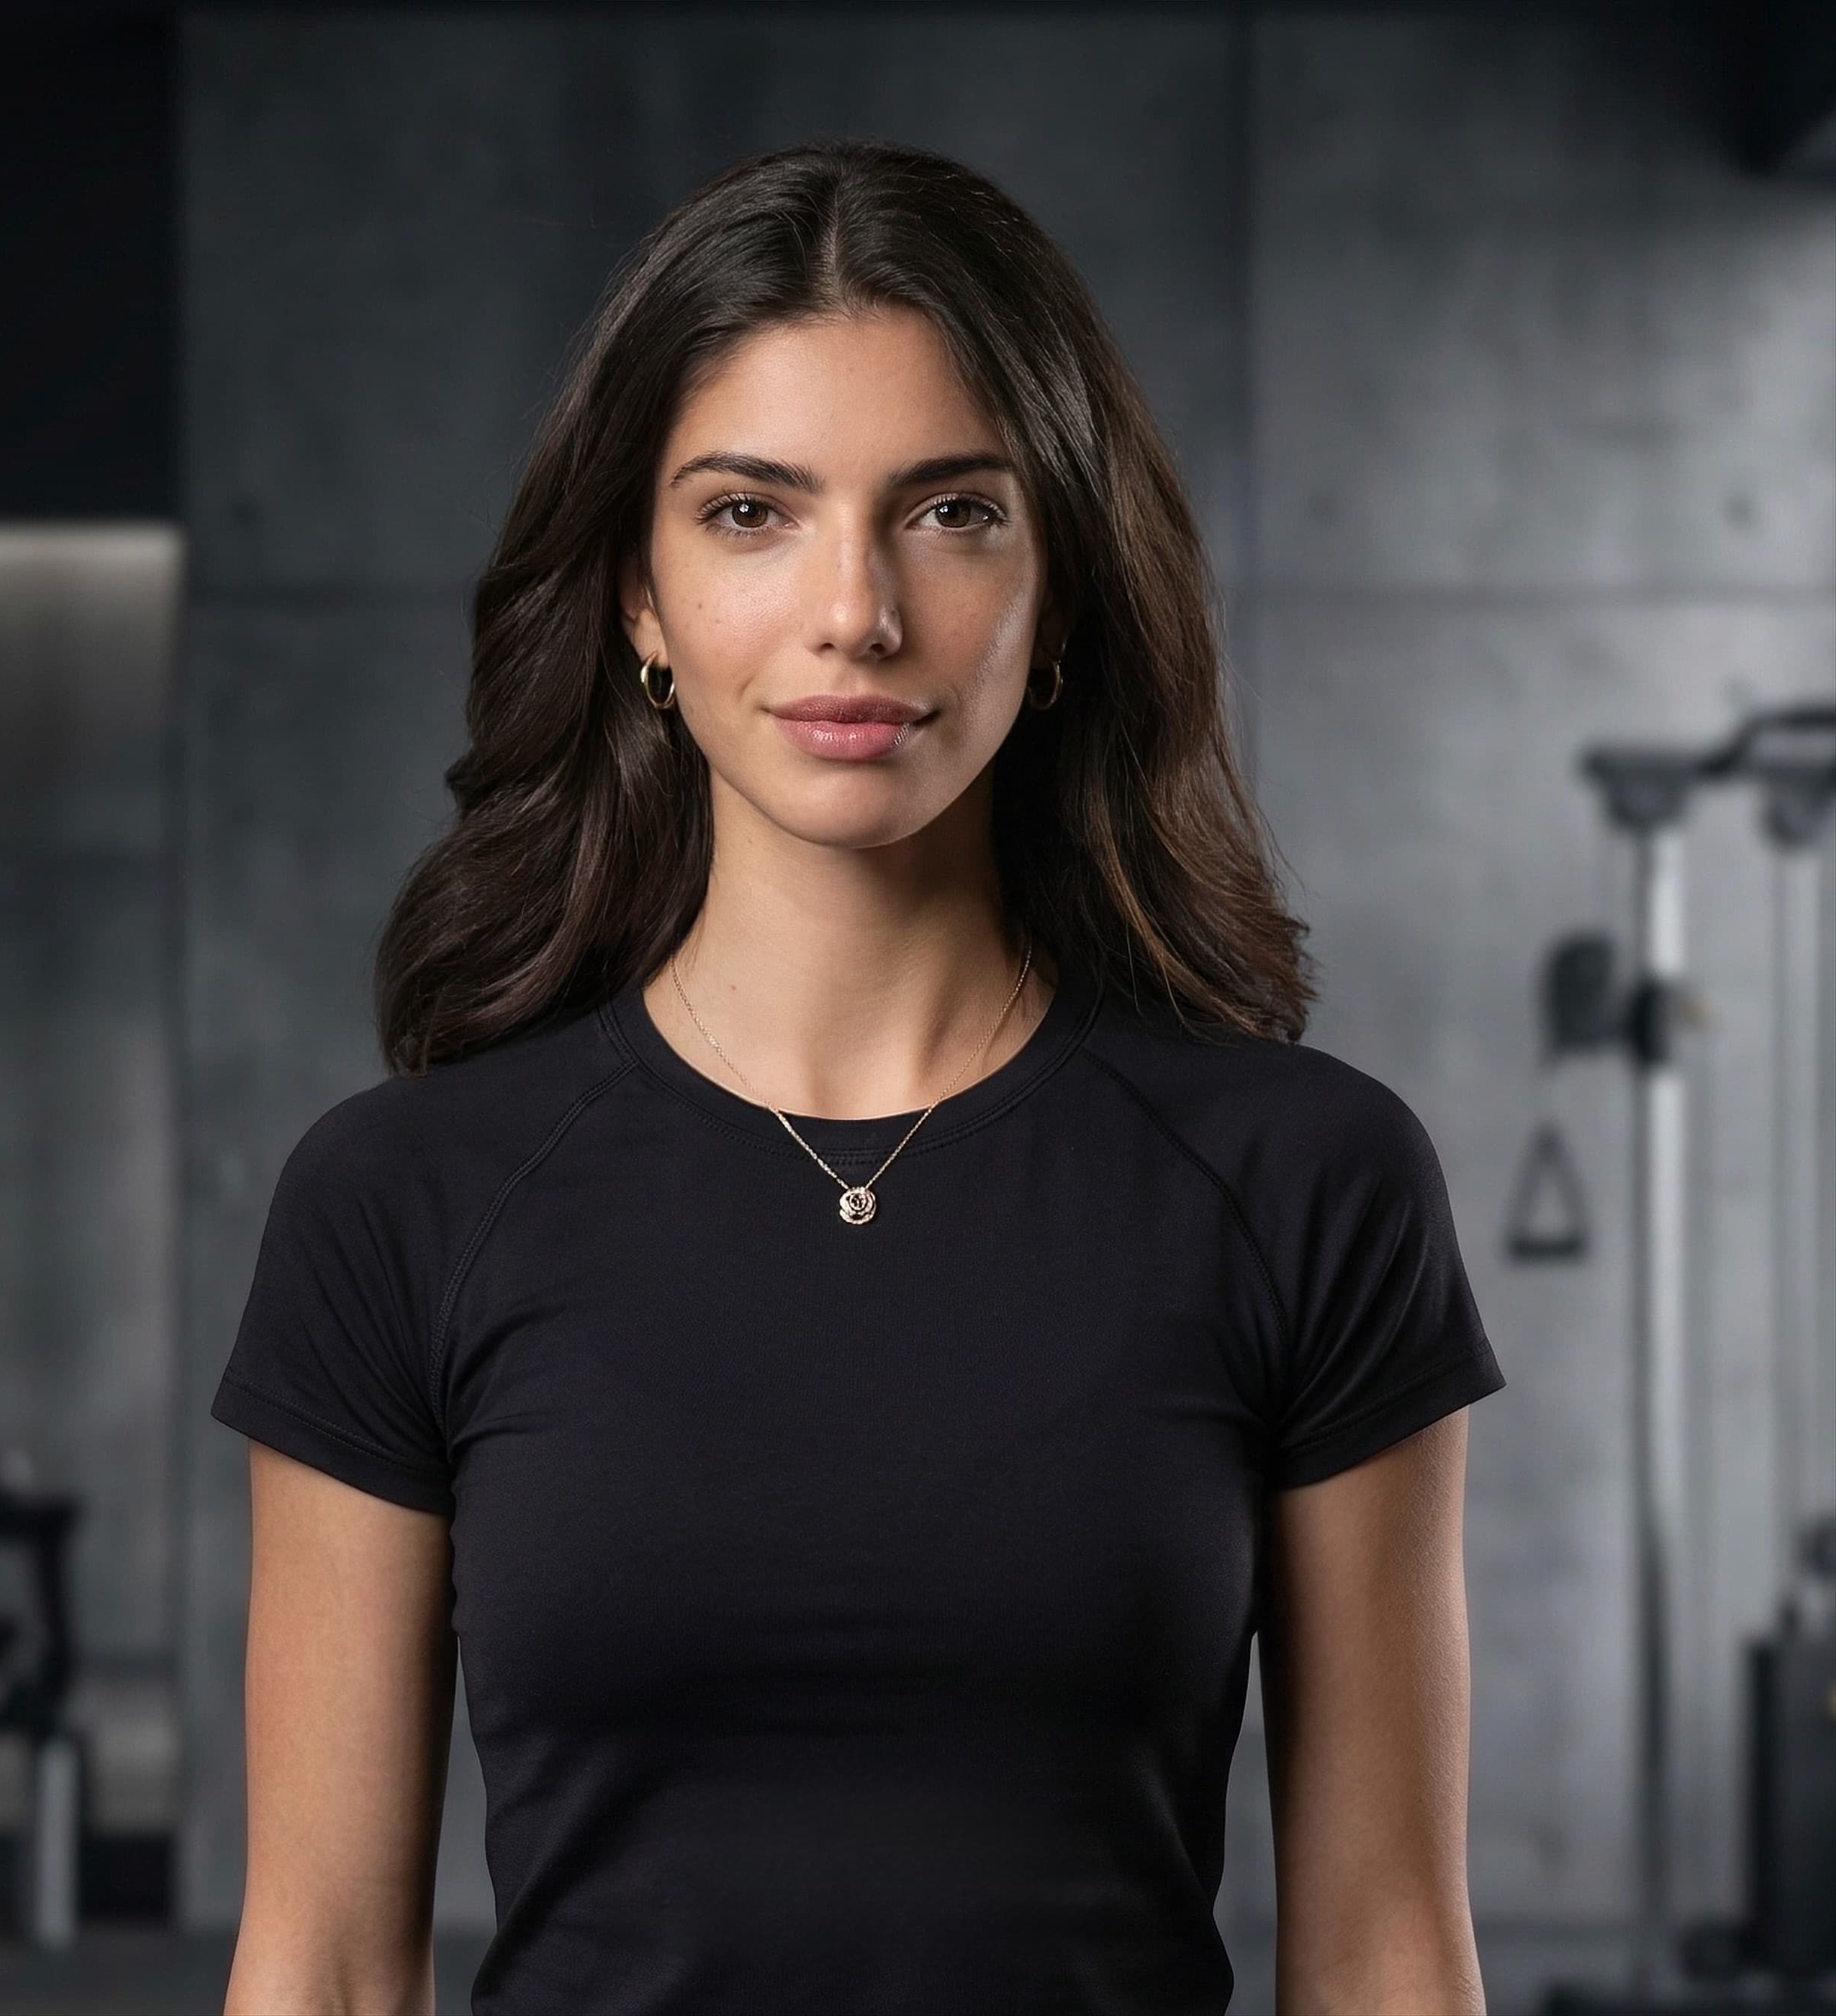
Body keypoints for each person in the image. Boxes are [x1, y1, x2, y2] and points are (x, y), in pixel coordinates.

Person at [211, 138, 1504, 2016]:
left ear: (1058, 589)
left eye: (950, 512)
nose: (856, 615)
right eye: (749, 513)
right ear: (639, 605)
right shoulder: (400, 1203)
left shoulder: (1306, 1182)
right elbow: (320, 1966)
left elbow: (1387, 1955)